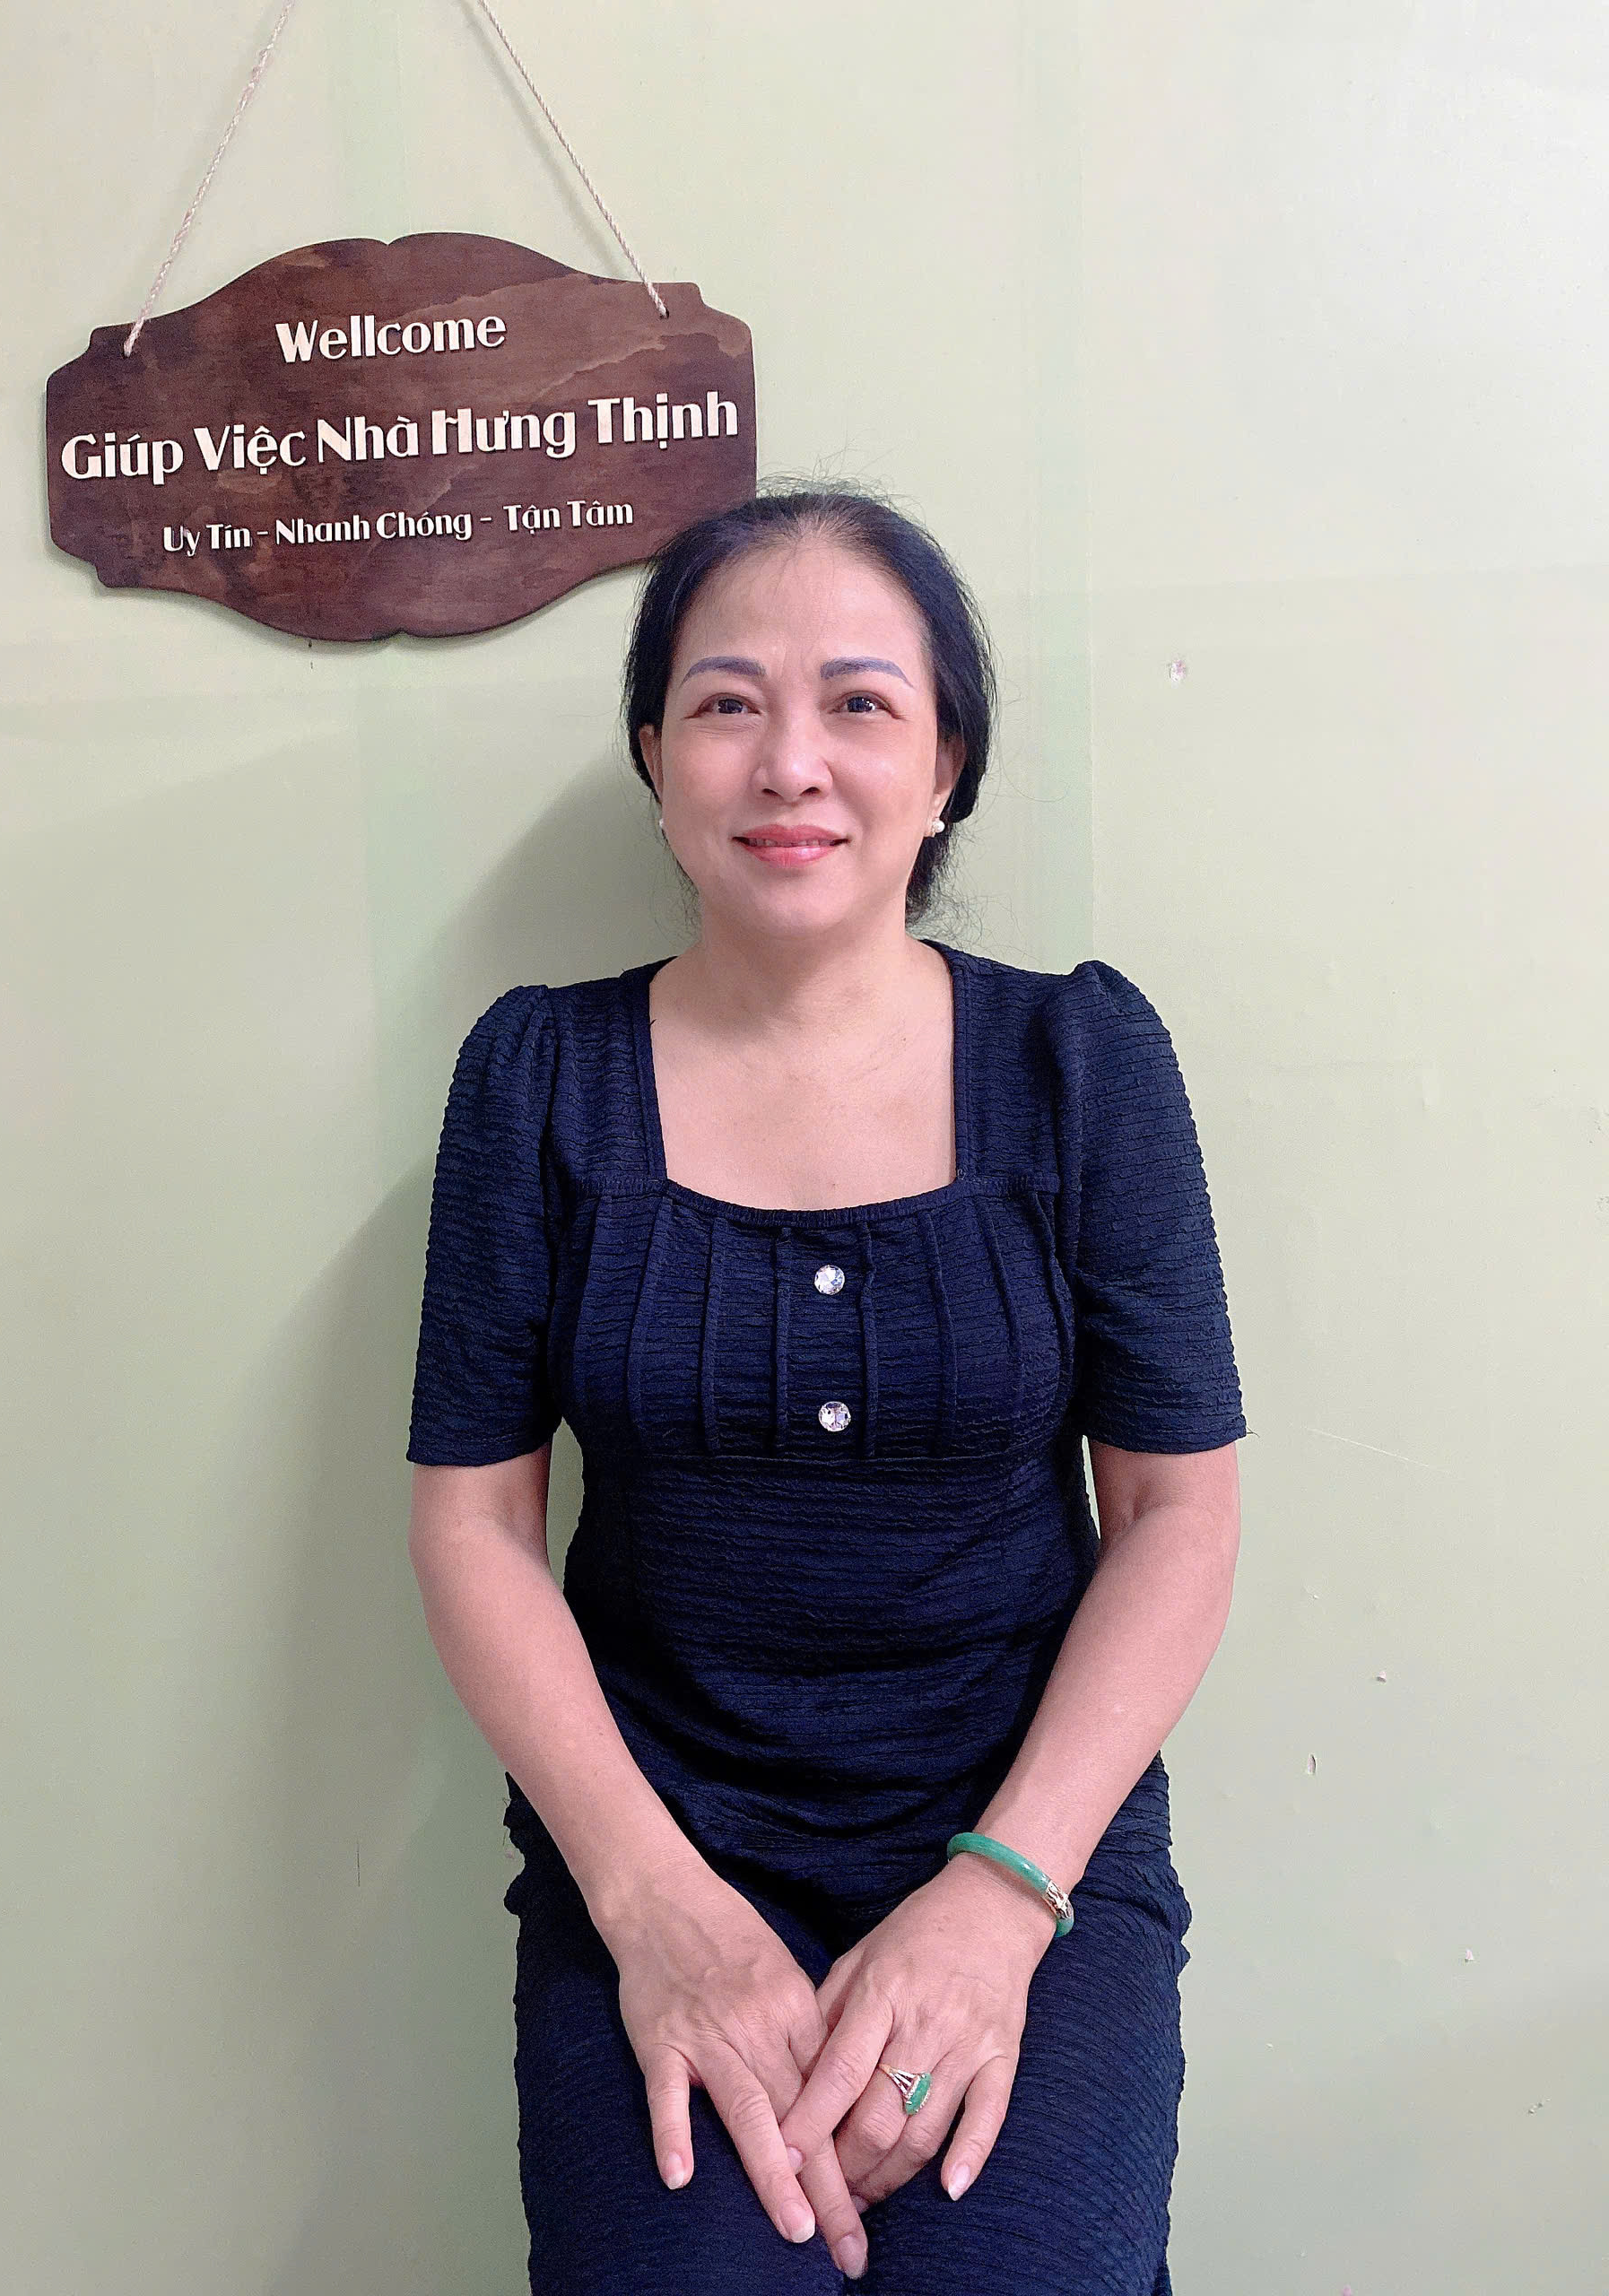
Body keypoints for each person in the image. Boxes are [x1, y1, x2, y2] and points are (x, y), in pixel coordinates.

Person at [405, 486, 1246, 2293]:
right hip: (655, 1846)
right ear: (656, 757)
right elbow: (472, 1522)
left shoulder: (1079, 1058)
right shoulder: (538, 1076)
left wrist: (997, 1902)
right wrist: (652, 1907)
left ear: (946, 764)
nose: (790, 760)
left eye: (860, 702)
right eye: (726, 702)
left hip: (1028, 1839)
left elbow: (1180, 1509)